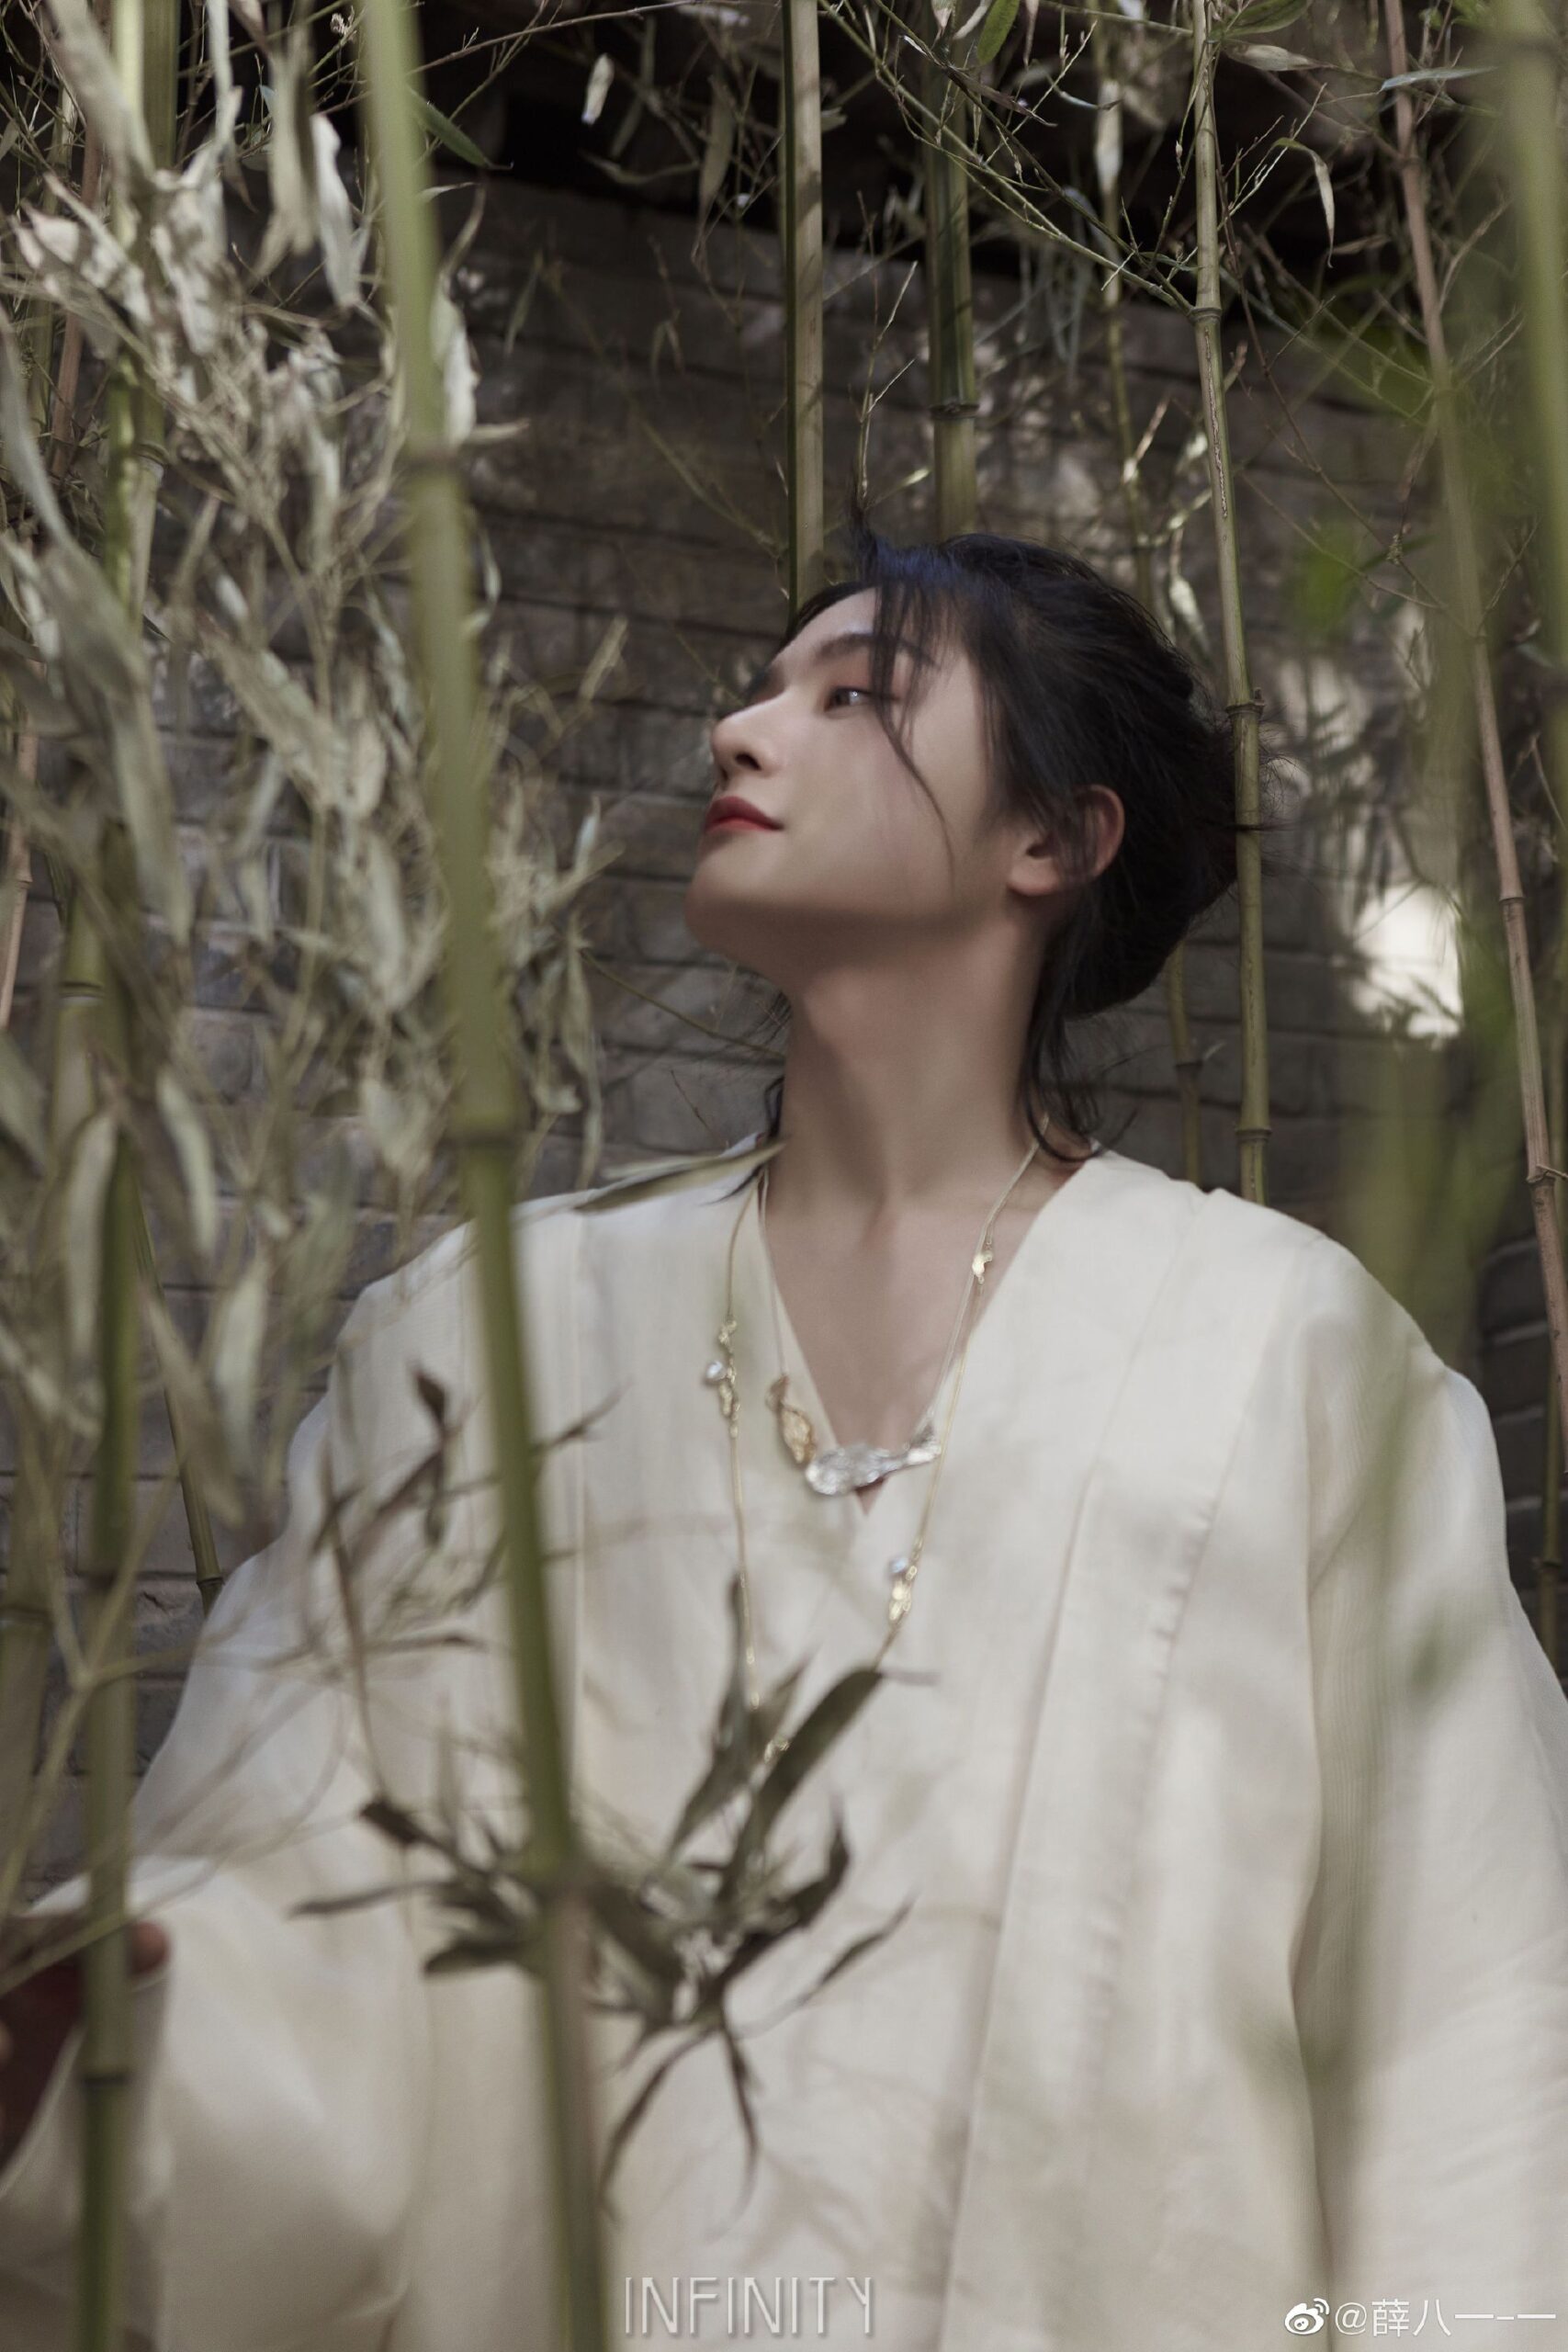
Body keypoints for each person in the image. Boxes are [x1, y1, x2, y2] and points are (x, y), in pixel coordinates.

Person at [2, 523, 1567, 2351]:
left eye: (853, 696)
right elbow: (298, 1900)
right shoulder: (483, 1337)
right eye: (757, 690)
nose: (736, 733)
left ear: (1054, 839)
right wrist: (112, 2044)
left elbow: (1464, 2050)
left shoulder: (1294, 1365)